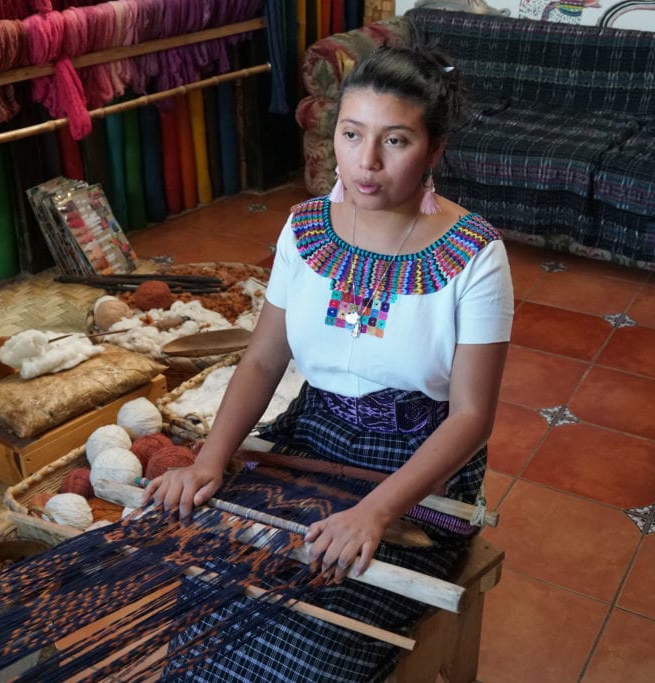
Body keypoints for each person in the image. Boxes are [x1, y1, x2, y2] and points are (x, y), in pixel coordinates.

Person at [142, 42, 514, 682]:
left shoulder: (474, 255)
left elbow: (472, 416)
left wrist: (376, 511)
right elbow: (262, 360)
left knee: (315, 641)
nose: (366, 162)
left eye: (395, 141)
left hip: (416, 469)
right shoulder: (304, 228)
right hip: (311, 440)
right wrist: (209, 460)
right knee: (210, 599)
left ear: (435, 150)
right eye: (351, 134)